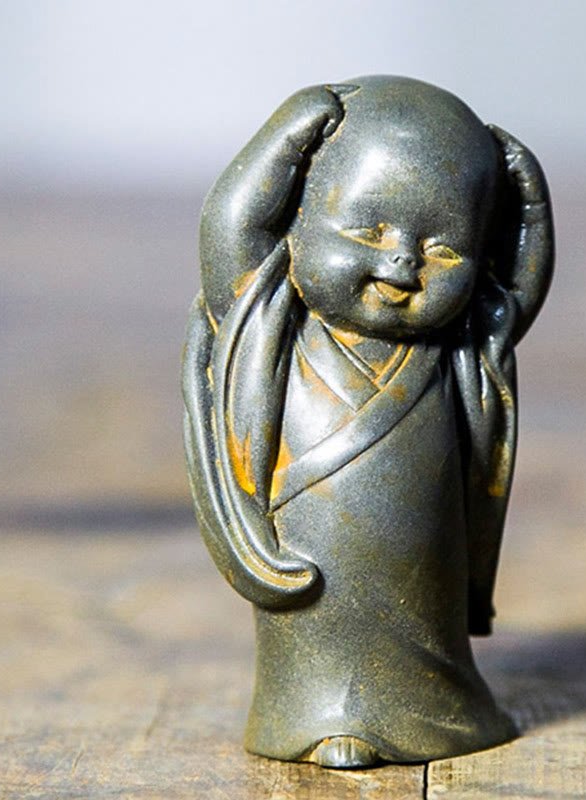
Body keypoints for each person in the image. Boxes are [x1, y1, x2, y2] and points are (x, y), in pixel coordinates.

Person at [183, 75, 553, 767]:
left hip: (423, 565)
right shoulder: (273, 333)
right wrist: (292, 128)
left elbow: (516, 294)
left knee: (424, 624)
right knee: (316, 631)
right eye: (367, 230)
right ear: (296, 226)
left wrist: (530, 212)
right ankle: (315, 717)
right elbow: (230, 227)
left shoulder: (456, 353)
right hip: (310, 568)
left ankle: (434, 713)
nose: (402, 262)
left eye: (444, 250)